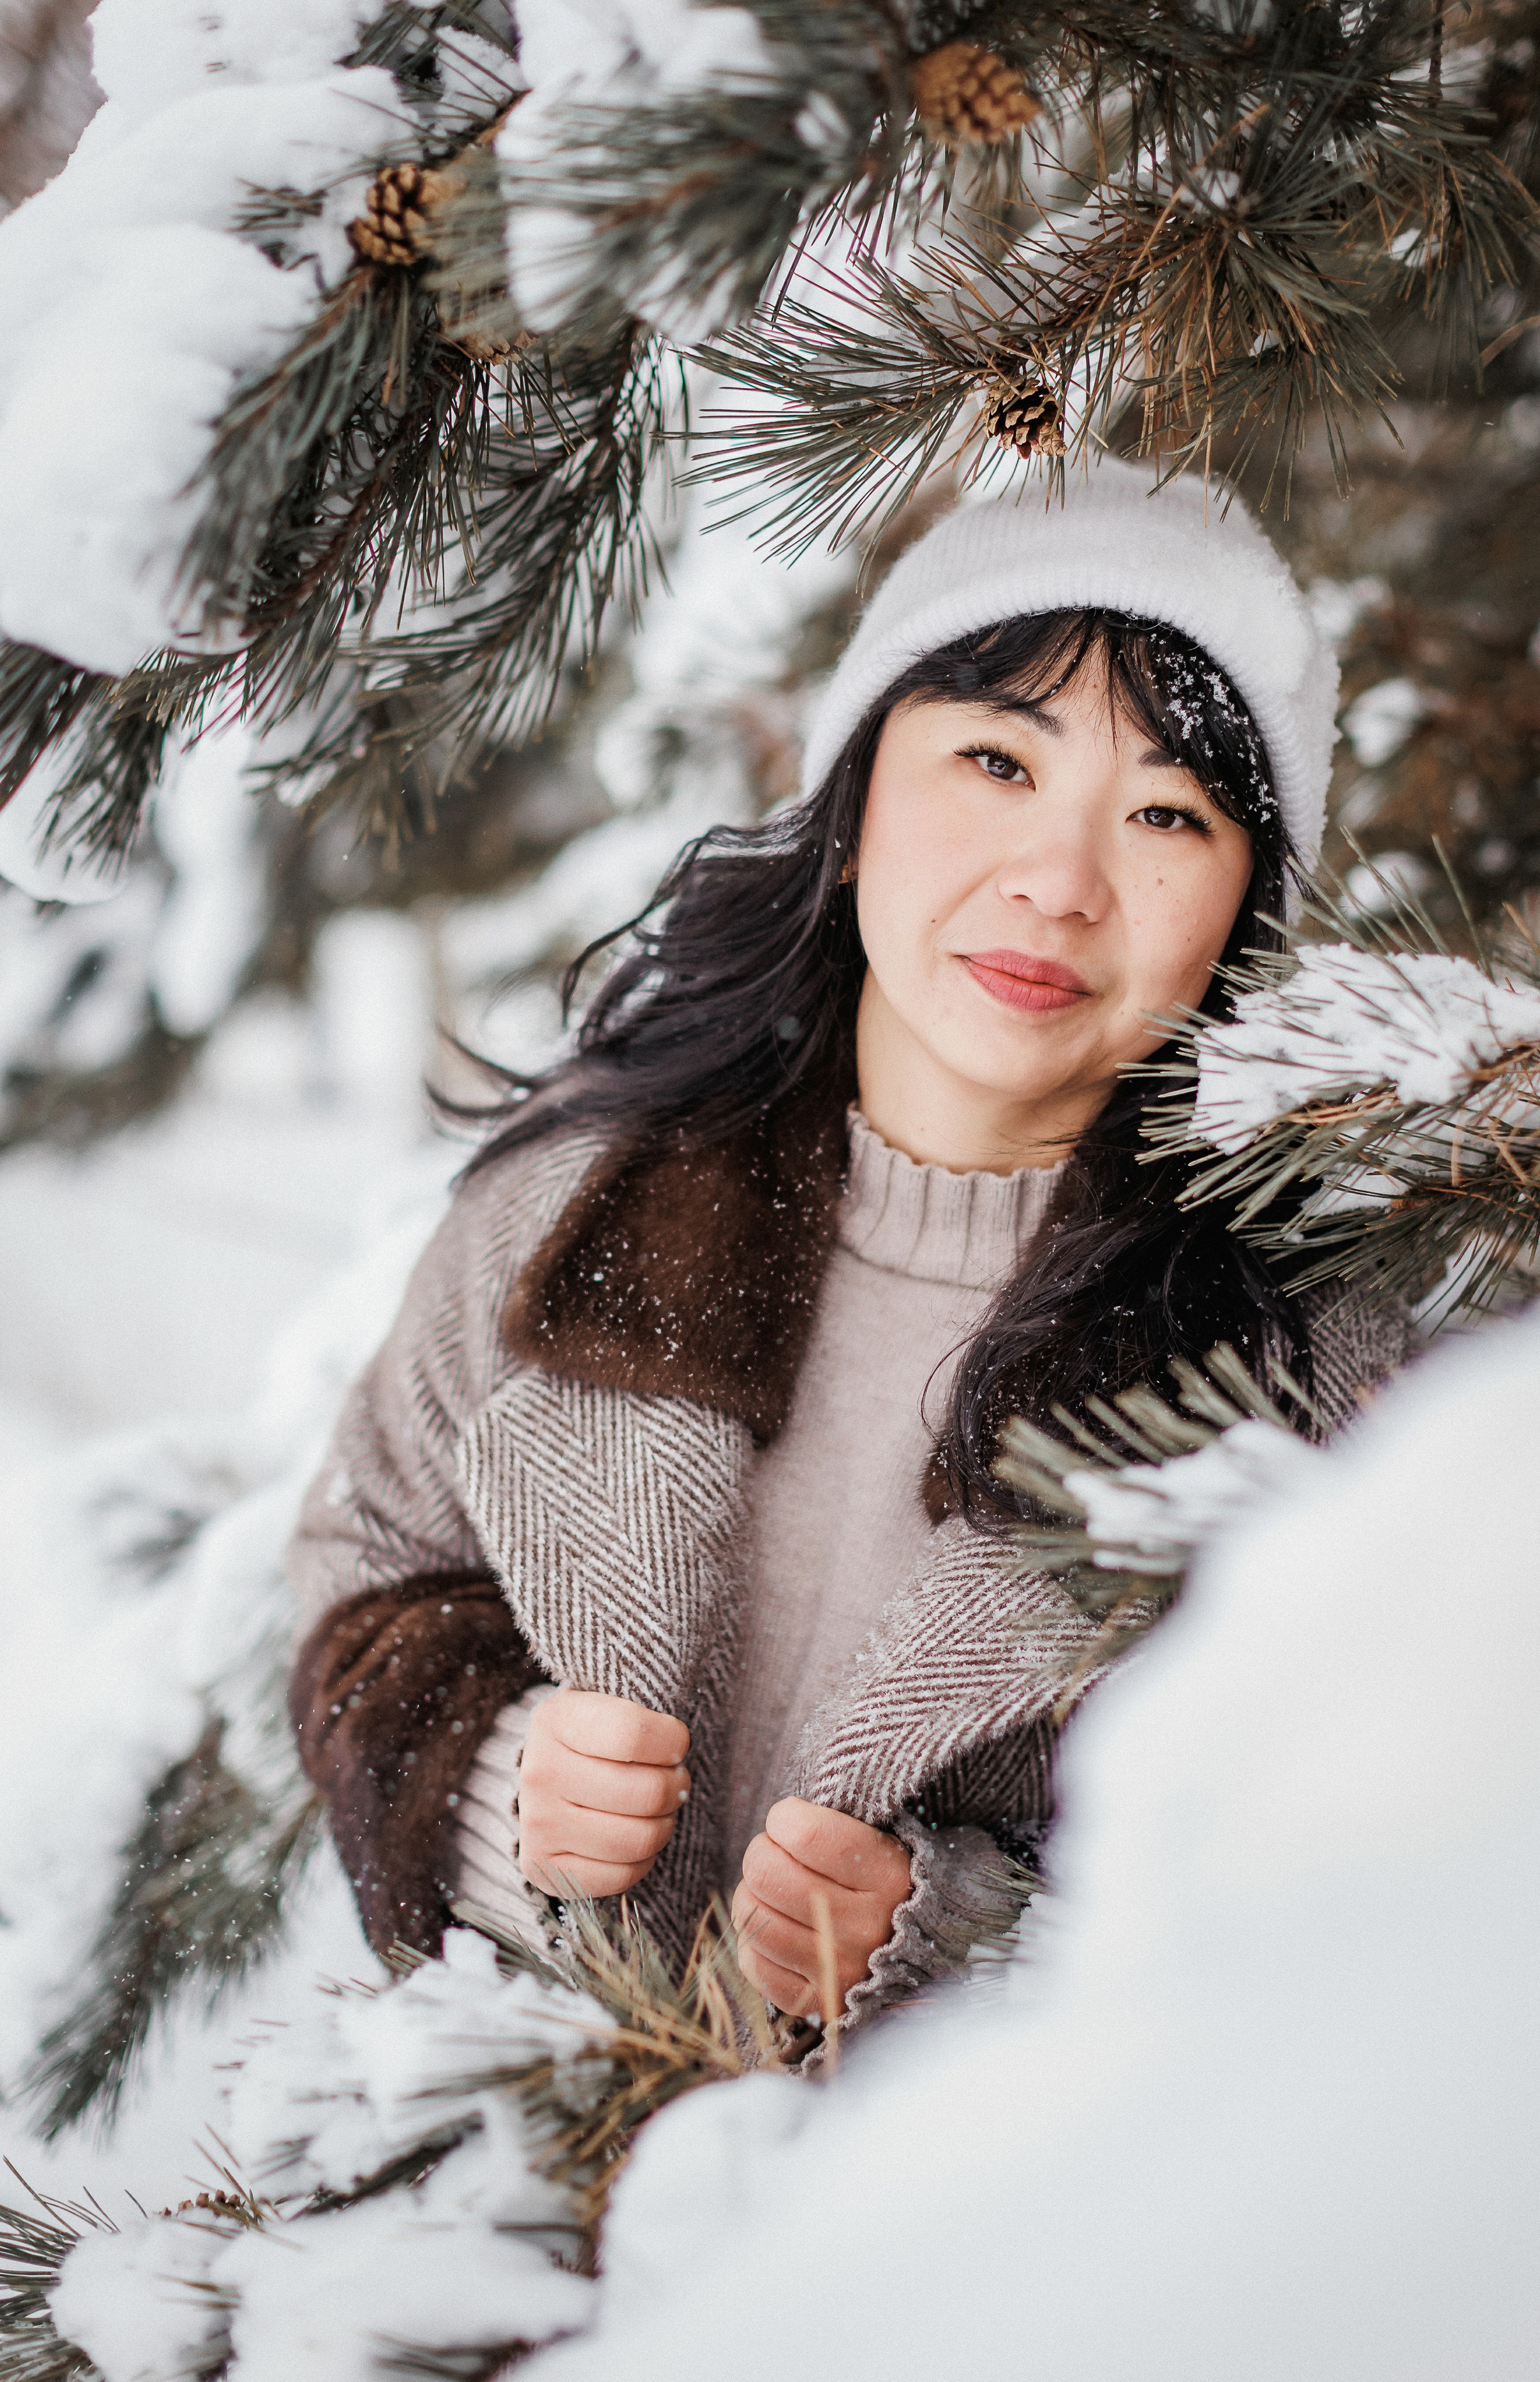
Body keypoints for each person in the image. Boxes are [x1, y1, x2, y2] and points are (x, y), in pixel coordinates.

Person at [285, 458, 1411, 2051]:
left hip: (968, 2267)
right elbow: (365, 1586)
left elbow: (1361, 1882)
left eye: (1166, 812)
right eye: (995, 762)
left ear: (1239, 914)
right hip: (519, 2240)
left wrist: (967, 1948)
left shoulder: (1314, 1375)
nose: (1059, 882)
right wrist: (491, 1784)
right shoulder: (568, 1218)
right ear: (852, 800)